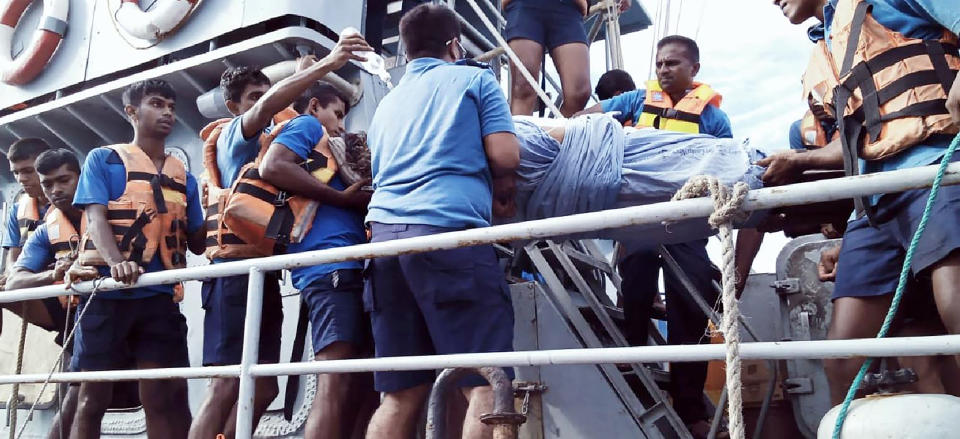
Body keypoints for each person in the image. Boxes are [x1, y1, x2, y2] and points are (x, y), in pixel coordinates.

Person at [764, 0, 960, 404]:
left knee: (955, 295)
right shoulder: (829, 47)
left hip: (938, 168)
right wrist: (798, 160)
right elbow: (862, 137)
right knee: (842, 360)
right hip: (874, 206)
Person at [189, 35, 367, 437]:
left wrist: (303, 80)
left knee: (264, 383)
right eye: (253, 98)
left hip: (262, 271)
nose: (263, 104)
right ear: (234, 106)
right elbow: (273, 114)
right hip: (231, 272)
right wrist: (326, 66)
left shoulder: (276, 133)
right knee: (226, 384)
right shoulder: (238, 134)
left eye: (266, 96)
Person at [363, 5, 519, 439]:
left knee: (401, 394)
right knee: (487, 383)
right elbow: (506, 155)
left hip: (384, 247)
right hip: (448, 237)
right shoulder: (474, 78)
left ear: (408, 50)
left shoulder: (385, 106)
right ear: (455, 44)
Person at [68, 79, 205, 439]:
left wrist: (219, 205)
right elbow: (96, 218)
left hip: (158, 299)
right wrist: (116, 262)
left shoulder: (184, 178)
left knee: (164, 397)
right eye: (157, 104)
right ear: (131, 112)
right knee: (92, 400)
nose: (168, 113)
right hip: (107, 295)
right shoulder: (104, 160)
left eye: (171, 107)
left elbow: (198, 242)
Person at [258, 81, 373, 439]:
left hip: (343, 265)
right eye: (337, 114)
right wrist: (339, 199)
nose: (340, 125)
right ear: (313, 107)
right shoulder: (307, 126)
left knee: (357, 381)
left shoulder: (325, 141)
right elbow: (272, 166)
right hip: (329, 268)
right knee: (334, 379)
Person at [6, 149, 82, 439]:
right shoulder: (40, 226)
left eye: (63, 180)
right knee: (81, 395)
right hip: (68, 308)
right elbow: (15, 274)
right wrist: (53, 274)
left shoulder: (104, 213)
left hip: (121, 307)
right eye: (48, 184)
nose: (55, 190)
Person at [504, 0, 629, 117]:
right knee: (523, 87)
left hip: (569, 7)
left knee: (579, 91)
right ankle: (520, 138)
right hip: (525, 4)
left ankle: (556, 138)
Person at [2, 138, 51, 275]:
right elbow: (12, 258)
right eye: (16, 173)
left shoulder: (70, 205)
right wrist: (13, 276)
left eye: (28, 171)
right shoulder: (17, 211)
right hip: (28, 282)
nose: (21, 179)